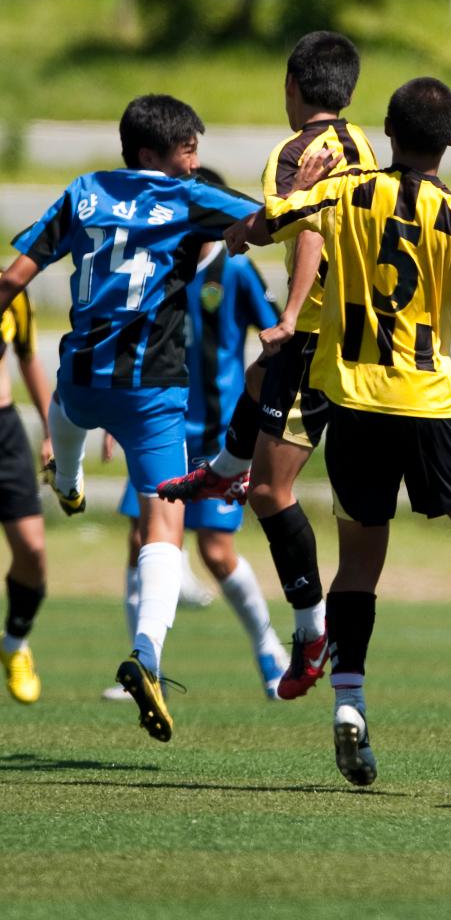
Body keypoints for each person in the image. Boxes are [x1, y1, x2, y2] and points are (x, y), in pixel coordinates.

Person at [222, 76, 451, 787]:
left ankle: (349, 702)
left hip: (354, 409)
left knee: (359, 563)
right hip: (426, 407)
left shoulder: (341, 192)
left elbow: (269, 223)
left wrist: (279, 199)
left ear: (387, 133)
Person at [0, 94, 260, 742]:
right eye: (187, 152)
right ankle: (147, 654)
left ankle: (65, 478)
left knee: (66, 409)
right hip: (152, 395)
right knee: (163, 521)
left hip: (84, 381)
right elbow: (268, 220)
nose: (195, 163)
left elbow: (15, 277)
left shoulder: (85, 192)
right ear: (152, 156)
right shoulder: (188, 201)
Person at [158, 31, 376, 701]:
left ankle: (311, 633)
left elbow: (304, 225)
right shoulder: (362, 143)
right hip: (364, 328)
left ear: (291, 86)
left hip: (315, 334)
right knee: (258, 381)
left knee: (270, 493)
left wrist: (279, 291)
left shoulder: (292, 154)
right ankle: (221, 470)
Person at [103, 168, 287, 704]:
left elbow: (275, 332)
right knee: (141, 540)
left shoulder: (235, 270)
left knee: (216, 551)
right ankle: (145, 662)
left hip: (217, 438)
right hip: (155, 426)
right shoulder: (155, 266)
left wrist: (262, 411)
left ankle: (268, 649)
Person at [0, 275, 53, 703]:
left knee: (33, 552)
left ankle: (15, 642)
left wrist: (52, 433)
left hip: (5, 434)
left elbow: (28, 356)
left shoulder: (9, 289)